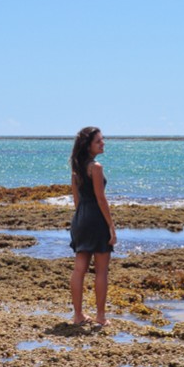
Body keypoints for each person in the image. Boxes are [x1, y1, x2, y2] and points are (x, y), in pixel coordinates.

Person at [68, 126, 116, 326]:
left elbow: (77, 200)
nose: (103, 143)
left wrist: (81, 219)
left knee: (79, 269)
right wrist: (111, 226)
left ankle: (78, 315)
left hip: (80, 219)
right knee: (101, 271)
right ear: (88, 145)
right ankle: (101, 317)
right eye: (98, 141)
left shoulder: (76, 169)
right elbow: (100, 198)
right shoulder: (95, 167)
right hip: (96, 219)